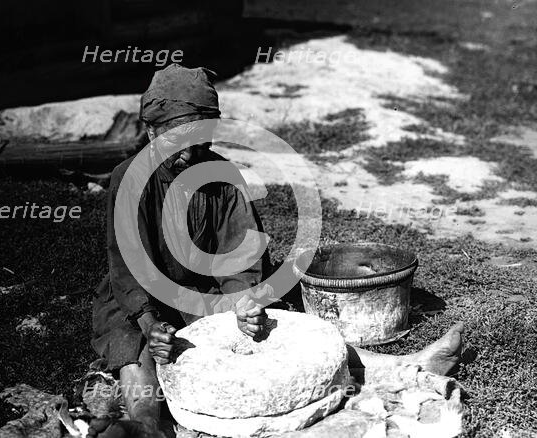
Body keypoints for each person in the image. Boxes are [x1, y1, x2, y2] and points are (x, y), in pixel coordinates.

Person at [89, 64, 464, 438]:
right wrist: (151, 323)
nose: (190, 156)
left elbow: (240, 255)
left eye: (201, 144)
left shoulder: (222, 174)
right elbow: (128, 264)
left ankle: (407, 368)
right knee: (134, 346)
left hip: (203, 291)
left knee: (275, 330)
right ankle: (144, 423)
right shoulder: (131, 178)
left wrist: (243, 306)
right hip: (138, 296)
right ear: (152, 131)